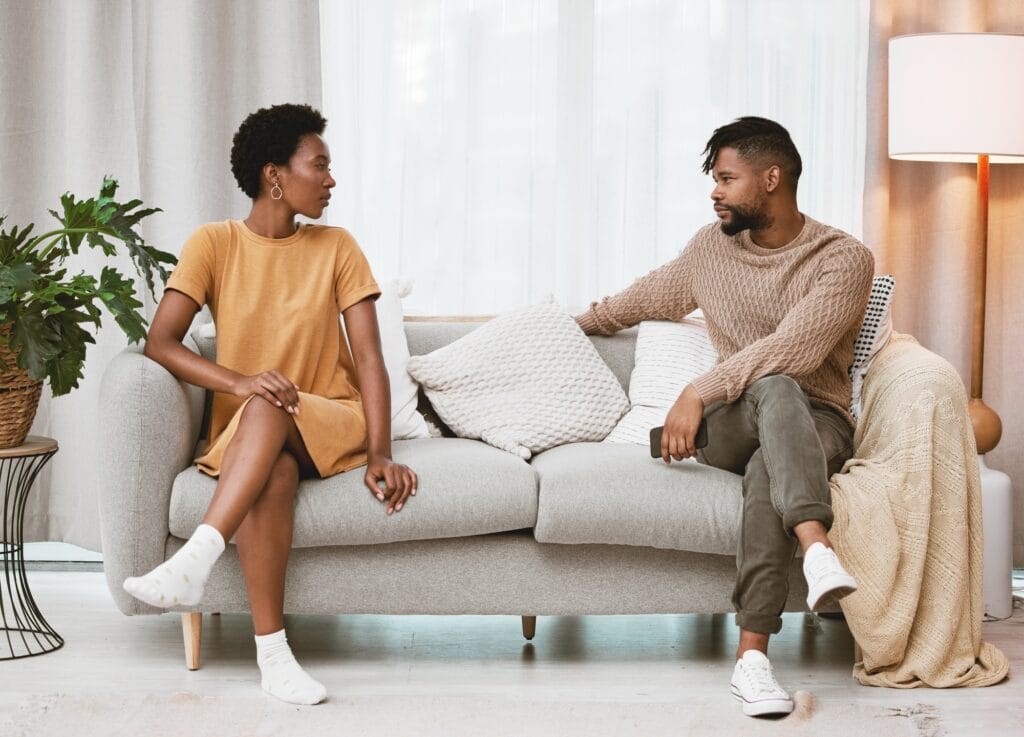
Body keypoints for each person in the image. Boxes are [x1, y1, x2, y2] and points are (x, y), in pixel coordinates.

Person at [575, 117, 873, 718]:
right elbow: (637, 301)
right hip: (733, 421)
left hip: (817, 423)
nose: (715, 191)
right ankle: (816, 544)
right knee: (770, 392)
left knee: (775, 436)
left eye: (727, 179)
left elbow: (796, 348)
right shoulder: (710, 248)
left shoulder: (842, 259)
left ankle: (752, 662)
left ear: (771, 178)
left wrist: (699, 387)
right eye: (714, 179)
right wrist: (555, 328)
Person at [123, 103, 417, 706]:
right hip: (258, 434)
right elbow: (160, 342)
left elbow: (369, 360)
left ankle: (198, 555)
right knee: (273, 470)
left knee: (268, 402)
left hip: (331, 418)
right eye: (320, 165)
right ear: (274, 176)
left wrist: (381, 452)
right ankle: (274, 656)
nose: (331, 180)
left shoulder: (338, 247)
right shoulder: (214, 243)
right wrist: (238, 382)